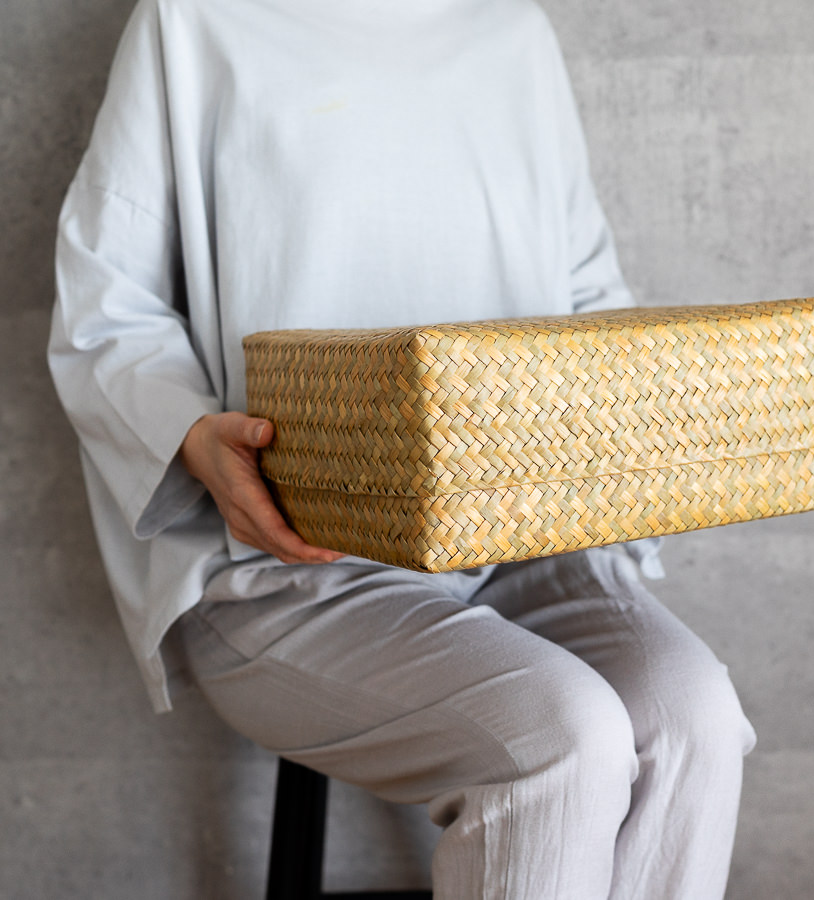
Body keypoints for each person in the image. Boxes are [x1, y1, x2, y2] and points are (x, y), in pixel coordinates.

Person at [48, 0, 756, 896]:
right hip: (289, 571)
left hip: (522, 545)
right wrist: (192, 437)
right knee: (559, 737)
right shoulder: (193, 20)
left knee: (695, 719)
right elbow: (105, 304)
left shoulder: (511, 31)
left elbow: (589, 292)